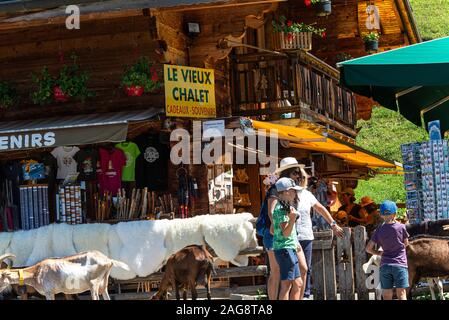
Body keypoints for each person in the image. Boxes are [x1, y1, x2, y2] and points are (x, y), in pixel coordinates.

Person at [275, 157, 344, 300]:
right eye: (293, 172)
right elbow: (276, 217)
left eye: (298, 172)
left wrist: (333, 224)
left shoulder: (306, 193)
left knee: (305, 270)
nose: (298, 175)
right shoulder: (282, 195)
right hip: (288, 239)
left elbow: (320, 208)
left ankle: (304, 296)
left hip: (305, 235)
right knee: (291, 276)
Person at [365, 200, 410, 300]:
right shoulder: (401, 227)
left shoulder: (379, 230)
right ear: (395, 213)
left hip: (385, 265)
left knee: (386, 294)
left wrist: (379, 253)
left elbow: (368, 249)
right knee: (401, 293)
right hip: (400, 264)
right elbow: (406, 244)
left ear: (381, 215)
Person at [272, 177, 302, 300]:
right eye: (293, 190)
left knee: (298, 283)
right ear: (286, 192)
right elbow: (285, 233)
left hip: (287, 248)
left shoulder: (284, 207)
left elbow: (272, 230)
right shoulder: (281, 210)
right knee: (286, 284)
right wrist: (293, 219)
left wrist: (294, 242)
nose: (295, 193)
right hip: (285, 250)